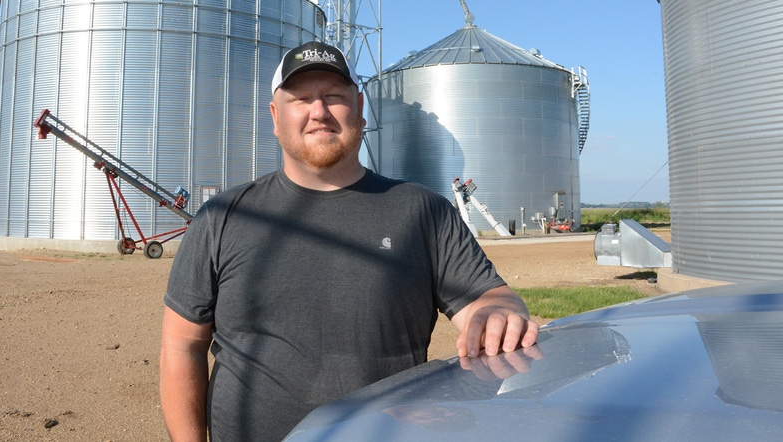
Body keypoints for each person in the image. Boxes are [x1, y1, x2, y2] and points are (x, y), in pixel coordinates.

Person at [159, 41, 540, 441]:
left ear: (359, 108)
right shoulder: (224, 217)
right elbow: (182, 345)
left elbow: (489, 299)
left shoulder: (423, 211)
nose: (319, 112)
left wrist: (499, 312)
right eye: (301, 99)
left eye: (334, 97)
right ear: (275, 116)